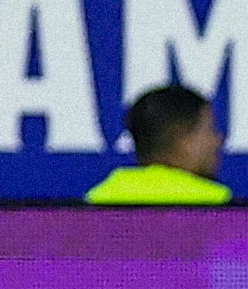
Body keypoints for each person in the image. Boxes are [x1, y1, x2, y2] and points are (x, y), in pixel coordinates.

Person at [85, 84, 232, 203]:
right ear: (183, 140)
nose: (217, 140)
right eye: (210, 129)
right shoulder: (217, 205)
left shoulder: (97, 199)